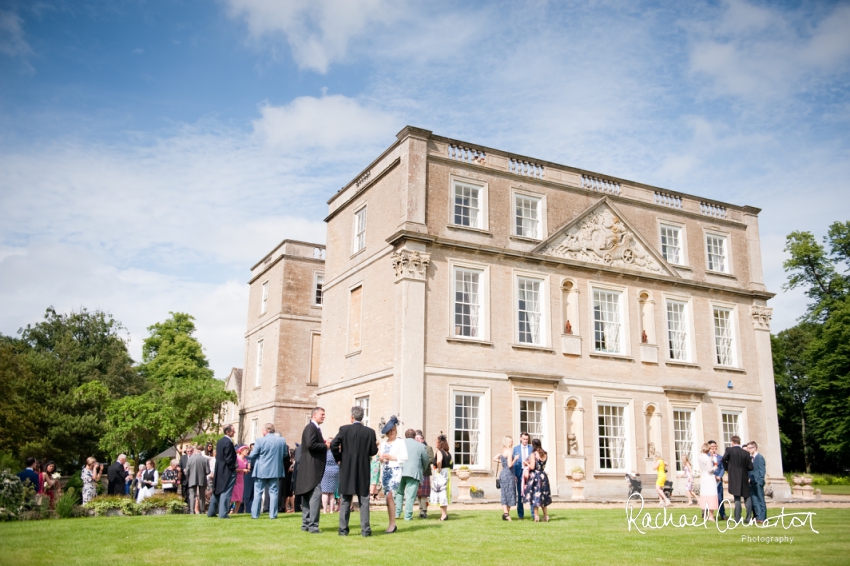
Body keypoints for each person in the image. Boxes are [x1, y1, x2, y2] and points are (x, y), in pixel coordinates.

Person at [330, 405, 378, 536]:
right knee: (364, 500)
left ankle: (343, 530)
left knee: (345, 499)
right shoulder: (370, 432)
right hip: (363, 469)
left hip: (347, 468)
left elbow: (334, 444)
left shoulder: (344, 429)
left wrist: (340, 457)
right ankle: (365, 530)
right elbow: (373, 451)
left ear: (352, 417)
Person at [295, 407, 328, 533]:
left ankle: (306, 525)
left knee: (308, 497)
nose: (324, 416)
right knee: (314, 496)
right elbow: (310, 444)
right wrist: (326, 446)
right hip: (312, 469)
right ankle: (313, 526)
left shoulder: (314, 428)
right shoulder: (311, 428)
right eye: (322, 414)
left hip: (310, 468)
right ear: (314, 415)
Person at [249, 422, 289, 520]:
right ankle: (273, 515)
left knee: (258, 492)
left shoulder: (259, 441)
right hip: (275, 470)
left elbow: (252, 455)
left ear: (265, 431)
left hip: (261, 470)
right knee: (274, 492)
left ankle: (255, 514)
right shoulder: (281, 440)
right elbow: (285, 454)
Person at [379, 416, 408, 532]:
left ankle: (392, 524)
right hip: (385, 470)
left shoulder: (400, 442)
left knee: (390, 495)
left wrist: (392, 457)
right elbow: (380, 456)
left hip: (395, 471)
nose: (392, 433)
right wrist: (382, 459)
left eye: (393, 430)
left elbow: (405, 457)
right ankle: (391, 523)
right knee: (387, 497)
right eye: (390, 431)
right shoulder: (383, 444)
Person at [395, 428, 429, 522]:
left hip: (400, 471)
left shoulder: (399, 444)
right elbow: (426, 460)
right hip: (413, 472)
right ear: (414, 436)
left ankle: (397, 513)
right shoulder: (420, 446)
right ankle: (408, 516)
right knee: (410, 496)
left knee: (399, 493)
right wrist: (422, 468)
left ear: (406, 436)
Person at [208, 424, 238, 519]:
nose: (234, 432)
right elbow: (228, 458)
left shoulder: (220, 441)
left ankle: (211, 512)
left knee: (217, 490)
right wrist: (233, 468)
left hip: (219, 468)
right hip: (227, 469)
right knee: (226, 490)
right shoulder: (228, 442)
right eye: (233, 431)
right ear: (227, 432)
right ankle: (223, 513)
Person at [722, 435, 753, 522]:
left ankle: (737, 518)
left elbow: (724, 459)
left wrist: (727, 468)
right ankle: (748, 518)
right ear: (739, 442)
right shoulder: (746, 453)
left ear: (732, 442)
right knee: (747, 496)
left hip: (734, 476)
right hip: (744, 476)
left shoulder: (729, 450)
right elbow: (751, 467)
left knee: (737, 497)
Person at [524, 439, 551, 522]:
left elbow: (532, 467)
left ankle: (536, 516)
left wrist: (527, 464)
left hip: (536, 476)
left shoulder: (533, 454)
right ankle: (546, 516)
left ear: (533, 445)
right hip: (543, 476)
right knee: (543, 497)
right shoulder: (545, 454)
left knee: (535, 496)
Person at [493, 436, 518, 521]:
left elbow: (494, 458)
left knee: (504, 494)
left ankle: (506, 514)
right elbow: (510, 465)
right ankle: (506, 514)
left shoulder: (502, 451)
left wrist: (502, 462)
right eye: (511, 441)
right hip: (508, 474)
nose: (512, 443)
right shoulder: (509, 451)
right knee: (511, 493)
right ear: (508, 442)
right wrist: (515, 459)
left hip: (503, 473)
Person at [429, 434, 452, 521]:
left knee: (441, 493)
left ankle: (443, 515)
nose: (435, 443)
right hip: (447, 473)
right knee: (444, 494)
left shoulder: (439, 452)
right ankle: (444, 514)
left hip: (441, 474)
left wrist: (438, 468)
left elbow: (439, 460)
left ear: (440, 443)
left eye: (436, 442)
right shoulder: (448, 453)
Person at [511, 432, 533, 519]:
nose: (525, 441)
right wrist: (515, 474)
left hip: (529, 473)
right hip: (519, 473)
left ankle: (533, 514)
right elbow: (514, 463)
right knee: (520, 494)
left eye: (527, 439)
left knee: (531, 493)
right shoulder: (515, 449)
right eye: (524, 439)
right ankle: (520, 515)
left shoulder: (531, 448)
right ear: (520, 438)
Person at [186, 445, 211, 514]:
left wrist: (189, 475)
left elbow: (186, 471)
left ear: (194, 452)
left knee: (192, 495)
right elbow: (208, 471)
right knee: (202, 495)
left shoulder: (190, 459)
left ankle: (191, 511)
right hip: (202, 479)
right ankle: (202, 510)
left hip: (192, 479)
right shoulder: (205, 459)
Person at [746, 441, 767, 523]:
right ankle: (758, 517)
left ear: (755, 448)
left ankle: (763, 517)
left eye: (749, 448)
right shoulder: (750, 458)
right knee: (754, 500)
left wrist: (759, 481)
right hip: (752, 482)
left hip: (758, 482)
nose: (748, 450)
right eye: (747, 448)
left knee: (760, 500)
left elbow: (762, 471)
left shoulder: (760, 457)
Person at [415, 430, 433, 519]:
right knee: (418, 494)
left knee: (424, 494)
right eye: (415, 438)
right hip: (416, 473)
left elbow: (432, 459)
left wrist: (422, 461)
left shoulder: (428, 448)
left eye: (418, 438)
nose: (417, 440)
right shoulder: (414, 449)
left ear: (422, 439)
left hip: (425, 473)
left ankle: (424, 511)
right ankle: (420, 510)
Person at [697, 443, 719, 521]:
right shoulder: (707, 458)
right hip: (709, 477)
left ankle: (705, 514)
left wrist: (712, 456)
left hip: (703, 476)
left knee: (705, 495)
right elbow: (710, 469)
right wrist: (715, 467)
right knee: (711, 495)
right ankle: (711, 516)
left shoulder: (700, 456)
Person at [708, 440, 727, 520]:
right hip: (710, 479)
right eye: (712, 446)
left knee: (720, 497)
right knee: (709, 497)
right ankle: (706, 514)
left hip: (718, 480)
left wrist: (719, 476)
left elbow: (723, 468)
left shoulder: (720, 457)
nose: (714, 448)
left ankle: (722, 514)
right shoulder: (707, 456)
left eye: (715, 446)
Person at [321, 445, 340, 514]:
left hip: (325, 470)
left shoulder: (324, 453)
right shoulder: (336, 452)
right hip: (335, 471)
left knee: (325, 491)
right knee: (332, 492)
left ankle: (325, 510)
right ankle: (331, 510)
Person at [230, 445, 250, 514]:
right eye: (245, 450)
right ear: (241, 451)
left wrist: (247, 470)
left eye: (247, 450)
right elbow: (233, 469)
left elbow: (245, 469)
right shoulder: (237, 458)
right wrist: (242, 470)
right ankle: (228, 510)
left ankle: (236, 512)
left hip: (241, 479)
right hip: (235, 478)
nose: (247, 452)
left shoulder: (245, 460)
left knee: (239, 496)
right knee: (233, 496)